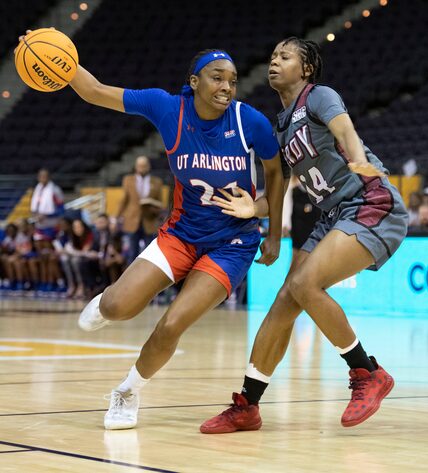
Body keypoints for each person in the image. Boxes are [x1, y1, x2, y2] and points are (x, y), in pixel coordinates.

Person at [27, 40, 287, 430]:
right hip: (180, 234)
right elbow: (95, 90)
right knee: (118, 307)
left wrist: (269, 224)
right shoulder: (167, 107)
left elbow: (276, 173)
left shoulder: (249, 121)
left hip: (233, 243)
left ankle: (128, 392)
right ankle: (107, 303)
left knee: (171, 323)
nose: (226, 87)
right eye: (217, 78)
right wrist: (51, 53)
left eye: (232, 81)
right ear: (194, 81)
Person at [201, 37, 408, 434]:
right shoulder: (280, 125)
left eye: (284, 56)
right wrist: (257, 210)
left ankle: (368, 373)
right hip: (334, 214)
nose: (273, 61)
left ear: (306, 69)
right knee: (285, 300)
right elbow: (281, 188)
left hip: (369, 201)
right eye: (272, 56)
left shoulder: (319, 96)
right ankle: (248, 405)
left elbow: (344, 128)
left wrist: (360, 159)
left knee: (304, 283)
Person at [116, 156, 164, 265]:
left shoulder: (157, 182)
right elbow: (124, 200)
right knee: (132, 252)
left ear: (148, 166)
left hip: (149, 221)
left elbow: (160, 203)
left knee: (149, 254)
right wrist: (116, 217)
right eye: (140, 166)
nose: (142, 168)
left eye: (144, 166)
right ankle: (130, 280)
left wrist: (154, 208)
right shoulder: (128, 180)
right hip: (132, 221)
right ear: (136, 167)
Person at [30, 168, 64, 293]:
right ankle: (44, 281)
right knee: (42, 257)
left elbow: (61, 209)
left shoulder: (55, 190)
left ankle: (54, 282)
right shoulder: (37, 189)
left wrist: (47, 216)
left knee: (51, 258)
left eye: (44, 176)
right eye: (40, 176)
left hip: (52, 227)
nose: (42, 178)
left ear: (49, 177)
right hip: (39, 227)